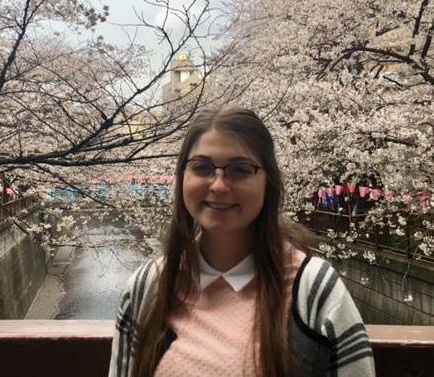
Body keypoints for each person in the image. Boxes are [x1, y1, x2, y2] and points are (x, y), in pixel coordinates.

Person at [109, 106, 375, 377]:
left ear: (268, 182)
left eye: (239, 169)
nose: (219, 185)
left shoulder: (314, 290)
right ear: (182, 178)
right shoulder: (148, 286)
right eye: (202, 167)